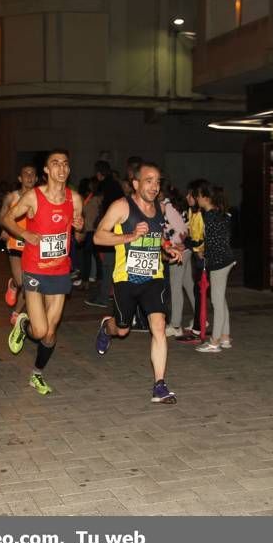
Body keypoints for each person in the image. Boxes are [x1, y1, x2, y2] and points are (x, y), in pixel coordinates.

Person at [92, 162, 183, 404]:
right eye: (149, 181)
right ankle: (106, 327)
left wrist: (168, 249)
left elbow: (158, 239)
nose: (154, 186)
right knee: (122, 330)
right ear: (135, 183)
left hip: (154, 278)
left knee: (159, 327)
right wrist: (130, 236)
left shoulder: (160, 209)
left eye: (157, 181)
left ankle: (160, 385)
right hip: (126, 279)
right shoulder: (122, 206)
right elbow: (98, 235)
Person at [3, 149, 84, 395]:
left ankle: (37, 374)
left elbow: (78, 236)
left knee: (50, 333)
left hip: (60, 271)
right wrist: (24, 233)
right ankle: (25, 323)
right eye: (55, 163)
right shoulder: (33, 197)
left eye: (65, 164)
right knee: (38, 332)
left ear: (69, 170)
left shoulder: (75, 199)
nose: (61, 168)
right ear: (47, 171)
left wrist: (80, 228)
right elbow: (7, 218)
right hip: (35, 269)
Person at [194, 184, 236, 353]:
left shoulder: (210, 216)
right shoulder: (222, 214)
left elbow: (212, 243)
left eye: (198, 196)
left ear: (205, 197)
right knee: (221, 299)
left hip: (219, 262)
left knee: (216, 302)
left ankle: (214, 341)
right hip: (227, 259)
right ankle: (225, 337)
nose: (197, 199)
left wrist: (203, 252)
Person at [0, 165, 38, 325]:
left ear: (36, 179)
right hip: (15, 242)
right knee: (21, 281)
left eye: (32, 174)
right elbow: (1, 216)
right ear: (20, 178)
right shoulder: (11, 197)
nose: (29, 177)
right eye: (25, 174)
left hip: (33, 245)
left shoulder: (40, 197)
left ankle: (16, 312)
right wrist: (5, 229)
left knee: (29, 284)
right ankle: (13, 284)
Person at [84, 161, 124, 308]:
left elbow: (103, 210)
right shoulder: (115, 185)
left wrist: (99, 226)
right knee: (112, 264)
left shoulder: (104, 187)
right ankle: (109, 294)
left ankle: (103, 297)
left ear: (99, 174)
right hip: (118, 229)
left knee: (108, 264)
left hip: (110, 229)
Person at [176, 179, 207, 344]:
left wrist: (187, 243)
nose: (187, 197)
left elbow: (201, 239)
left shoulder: (203, 213)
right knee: (198, 291)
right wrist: (185, 242)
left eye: (191, 194)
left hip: (204, 257)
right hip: (197, 256)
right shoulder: (191, 211)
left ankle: (199, 329)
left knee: (201, 292)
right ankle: (198, 326)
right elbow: (191, 235)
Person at [161, 184, 193, 337]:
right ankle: (201, 318)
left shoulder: (168, 207)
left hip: (179, 251)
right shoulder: (170, 206)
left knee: (175, 287)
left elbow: (182, 230)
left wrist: (173, 246)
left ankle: (175, 325)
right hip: (183, 250)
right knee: (188, 284)